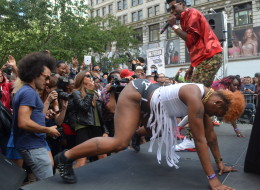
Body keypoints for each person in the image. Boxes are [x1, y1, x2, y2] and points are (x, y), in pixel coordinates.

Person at [55, 79, 245, 190]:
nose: (213, 116)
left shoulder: (206, 98)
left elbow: (210, 134)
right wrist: (213, 181)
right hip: (136, 95)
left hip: (154, 104)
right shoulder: (195, 98)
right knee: (119, 142)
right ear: (218, 103)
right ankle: (65, 157)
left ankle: (137, 134)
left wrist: (220, 163)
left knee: (160, 129)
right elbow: (200, 139)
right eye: (217, 114)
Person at [166, 0, 223, 151]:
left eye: (174, 7)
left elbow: (191, 39)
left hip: (210, 56)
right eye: (170, 9)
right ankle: (200, 136)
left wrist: (173, 26)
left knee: (195, 97)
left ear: (183, 4)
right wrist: (192, 66)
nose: (172, 12)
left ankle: (192, 139)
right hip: (204, 59)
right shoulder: (185, 18)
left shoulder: (192, 13)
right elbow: (194, 45)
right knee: (198, 97)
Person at [12, 52, 60, 181]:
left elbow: (29, 118)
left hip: (34, 144)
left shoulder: (27, 91)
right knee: (47, 185)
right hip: (32, 146)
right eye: (46, 77)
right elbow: (23, 122)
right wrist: (47, 130)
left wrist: (43, 117)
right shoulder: (28, 93)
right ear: (34, 74)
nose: (48, 81)